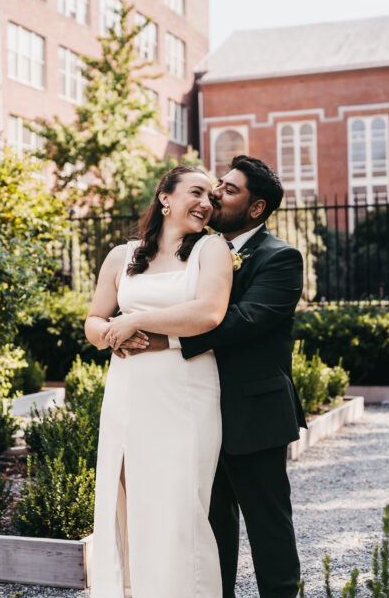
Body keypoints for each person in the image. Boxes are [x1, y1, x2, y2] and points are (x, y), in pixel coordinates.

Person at [124, 155, 307, 598]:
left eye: (227, 189)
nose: (214, 195)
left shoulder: (280, 258)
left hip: (254, 414)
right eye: (212, 187)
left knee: (268, 527)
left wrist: (159, 335)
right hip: (192, 410)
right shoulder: (192, 250)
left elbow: (244, 319)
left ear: (256, 208)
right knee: (208, 528)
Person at [85, 165, 234, 598]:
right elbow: (94, 321)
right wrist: (110, 335)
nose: (206, 203)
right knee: (130, 501)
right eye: (195, 192)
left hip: (186, 390)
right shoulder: (122, 256)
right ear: (165, 198)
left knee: (180, 506)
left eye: (210, 196)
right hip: (129, 389)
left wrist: (138, 320)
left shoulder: (212, 250)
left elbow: (209, 313)